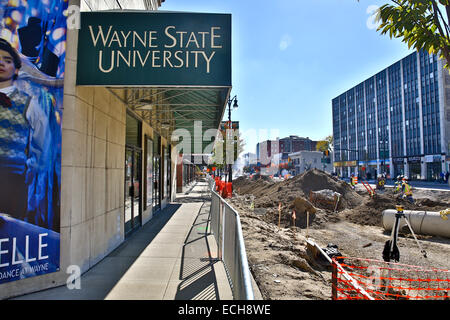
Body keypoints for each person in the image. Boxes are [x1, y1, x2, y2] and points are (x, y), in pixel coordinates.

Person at [0, 38, 55, 227]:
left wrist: (31, 167)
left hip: (13, 177)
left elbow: (42, 142)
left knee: (10, 227)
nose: (1, 63)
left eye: (7, 60)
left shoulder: (29, 102)